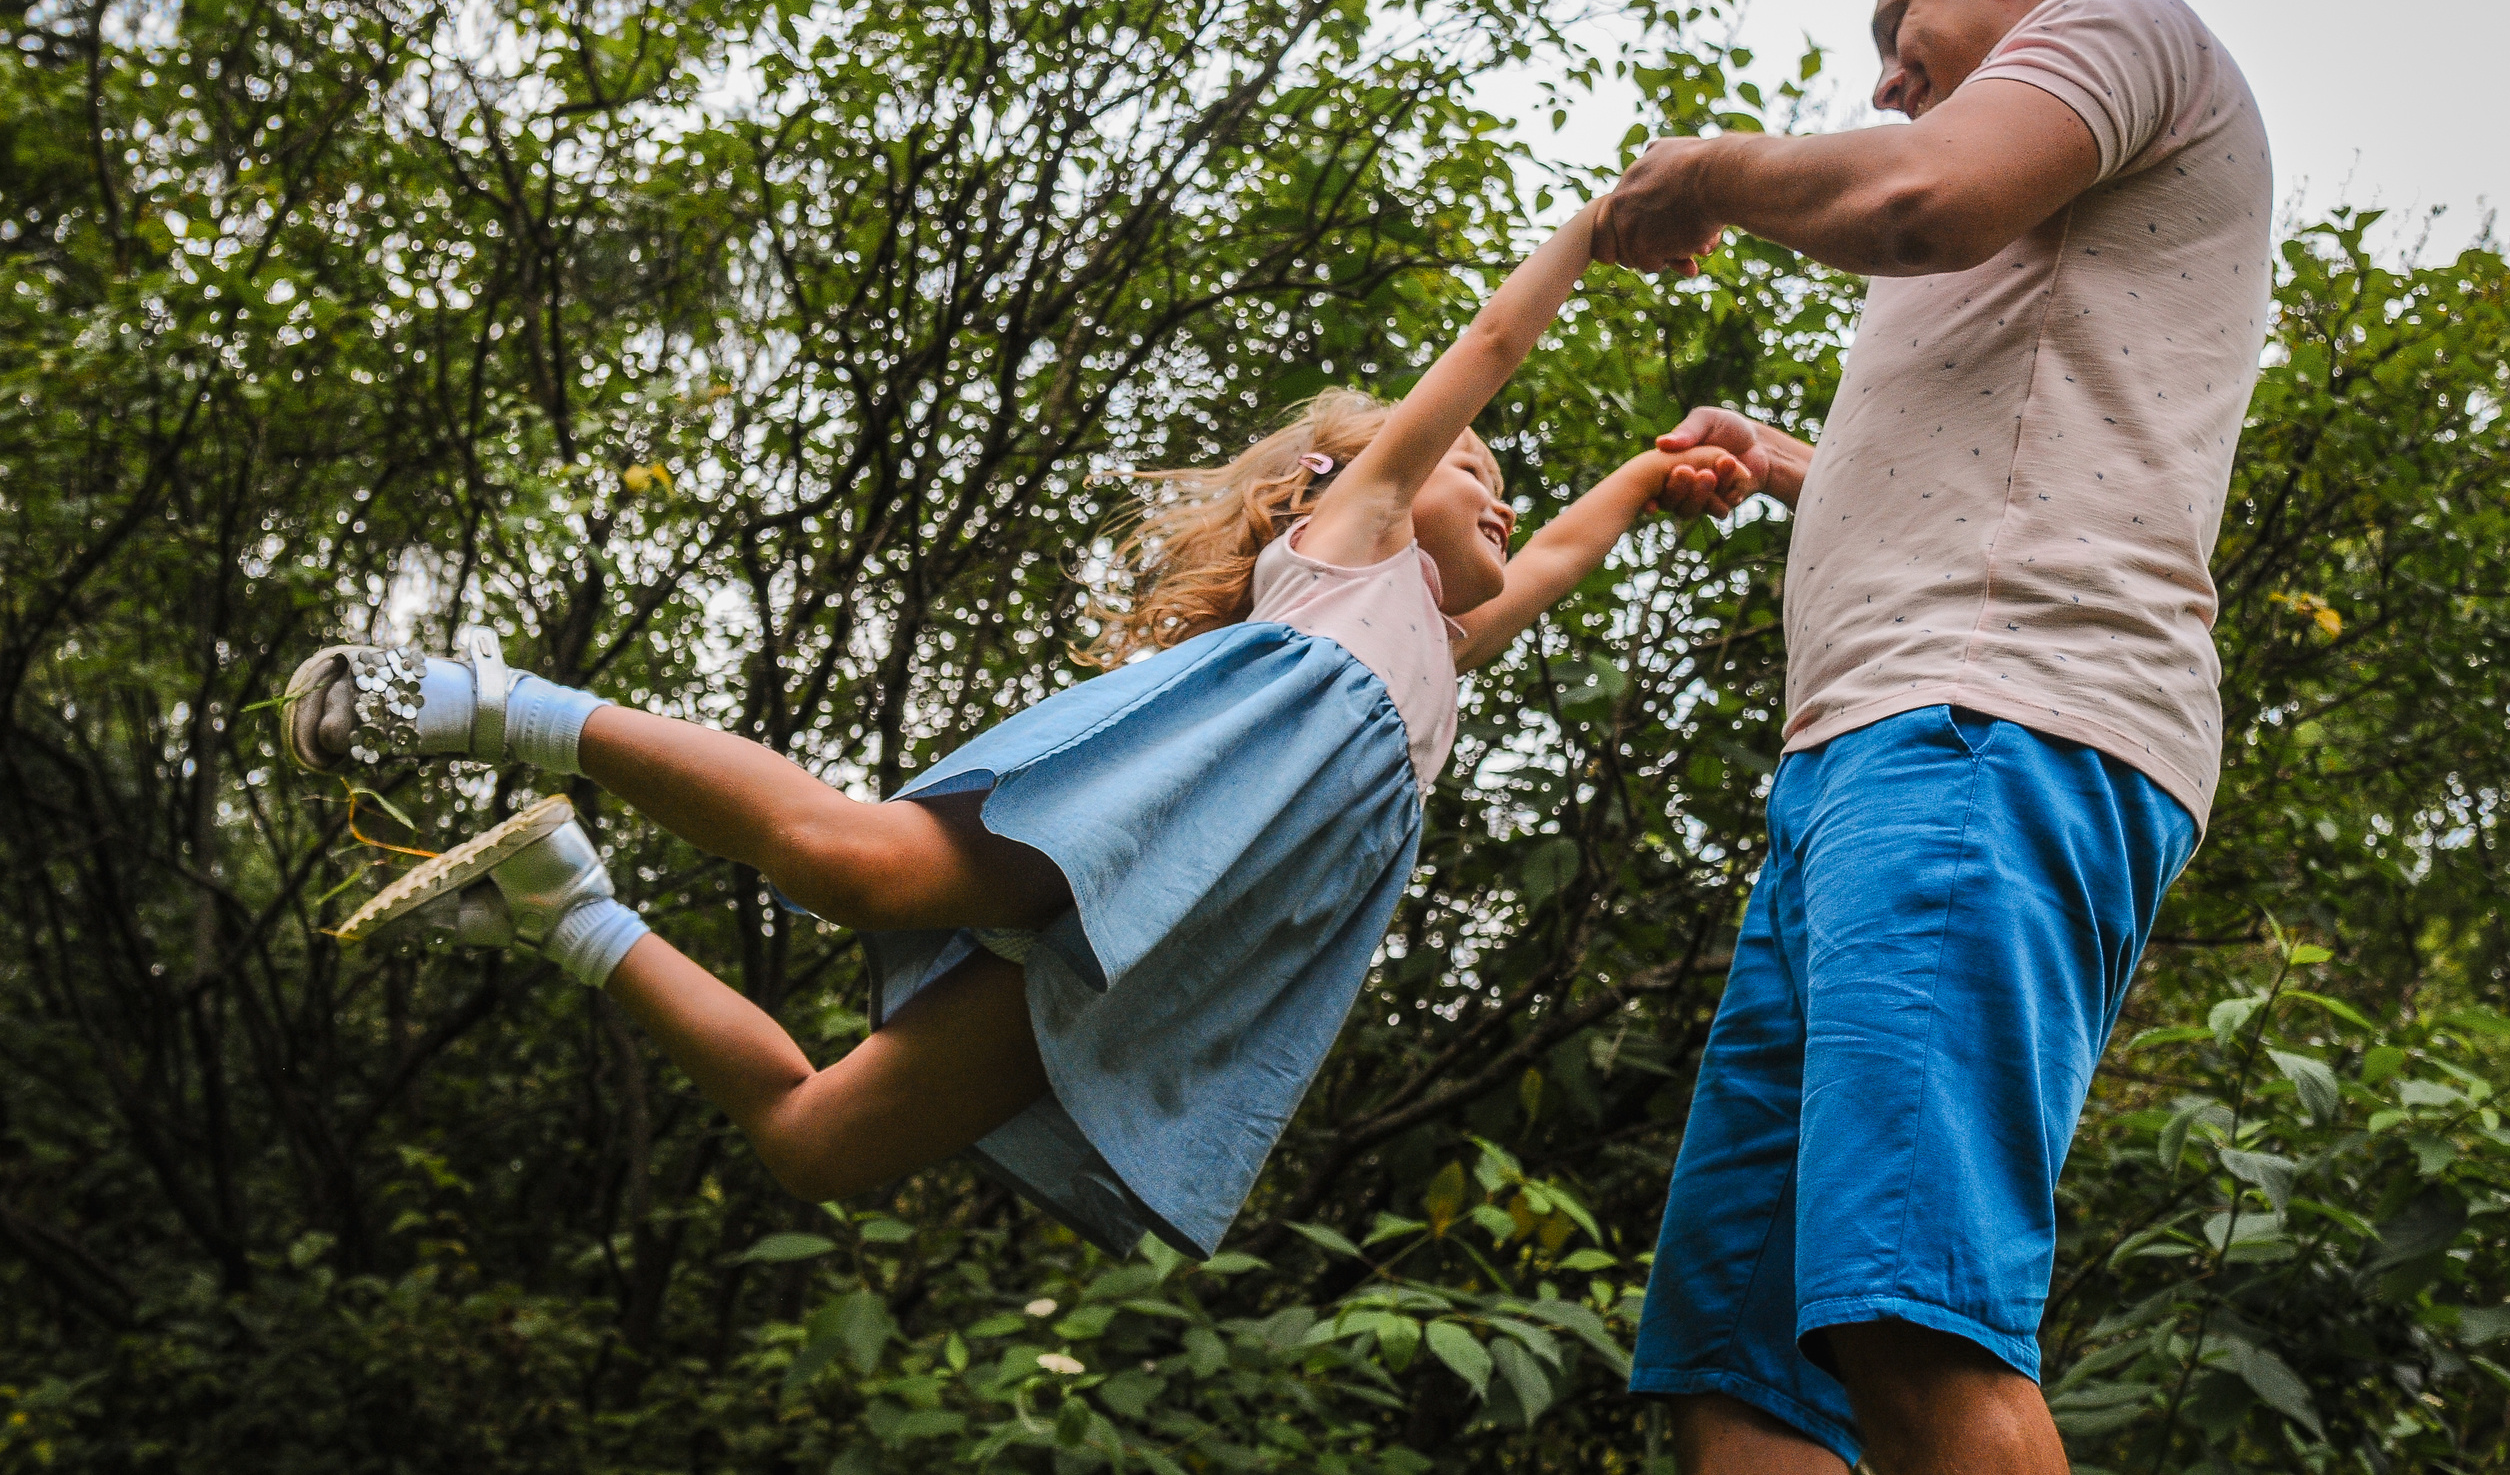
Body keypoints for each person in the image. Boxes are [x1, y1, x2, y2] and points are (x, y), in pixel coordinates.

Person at [278, 202, 1747, 1261]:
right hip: (1163, 812)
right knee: (859, 866)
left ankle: (564, 906)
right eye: (1474, 462)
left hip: (1186, 935)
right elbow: (1490, 341)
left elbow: (1549, 557)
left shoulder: (1439, 648)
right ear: (1334, 480)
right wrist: (1604, 225)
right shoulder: (1355, 545)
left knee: (822, 1147)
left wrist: (1655, 469)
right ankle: (465, 701)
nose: (1498, 494)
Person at [1590, 0, 2274, 1474]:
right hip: (1864, 760)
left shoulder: (2125, 28)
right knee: (1743, 1377)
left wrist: (1712, 171)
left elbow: (1922, 200)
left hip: (1992, 722)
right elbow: (2003, 447)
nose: (1890, 76)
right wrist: (1783, 463)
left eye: (1902, 28)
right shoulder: (2040, 203)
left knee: (1910, 1317)